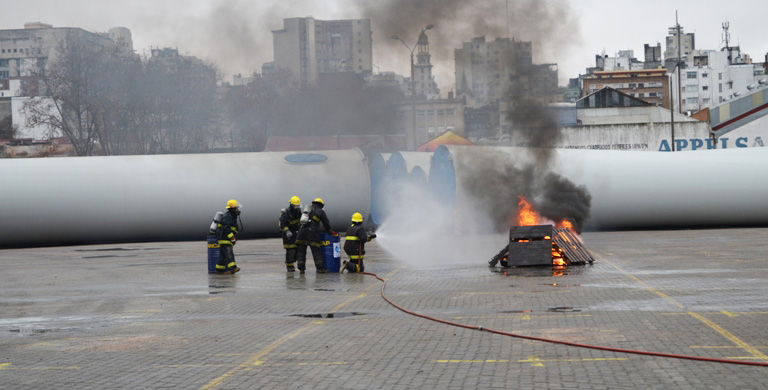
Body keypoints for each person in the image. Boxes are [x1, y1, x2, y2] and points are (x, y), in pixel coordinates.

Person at [295, 198, 335, 274]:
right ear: (321, 205)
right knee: (316, 252)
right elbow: (326, 223)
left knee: (301, 252)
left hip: (301, 233)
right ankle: (320, 269)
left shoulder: (307, 209)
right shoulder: (321, 211)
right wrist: (330, 231)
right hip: (312, 234)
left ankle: (301, 269)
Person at [215, 199, 242, 274]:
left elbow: (233, 228)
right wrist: (232, 237)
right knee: (229, 253)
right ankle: (233, 268)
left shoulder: (232, 216)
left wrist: (234, 236)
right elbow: (226, 228)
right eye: (236, 208)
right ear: (232, 208)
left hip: (225, 238)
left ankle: (219, 269)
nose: (237, 210)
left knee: (223, 255)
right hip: (224, 238)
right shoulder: (227, 216)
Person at [279, 196, 302, 272]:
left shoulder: (298, 212)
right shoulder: (287, 212)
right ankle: (290, 266)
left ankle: (293, 262)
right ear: (292, 205)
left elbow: (300, 221)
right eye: (296, 205)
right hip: (288, 235)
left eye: (298, 205)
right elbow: (283, 223)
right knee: (290, 251)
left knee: (296, 250)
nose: (297, 207)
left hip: (296, 233)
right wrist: (287, 231)